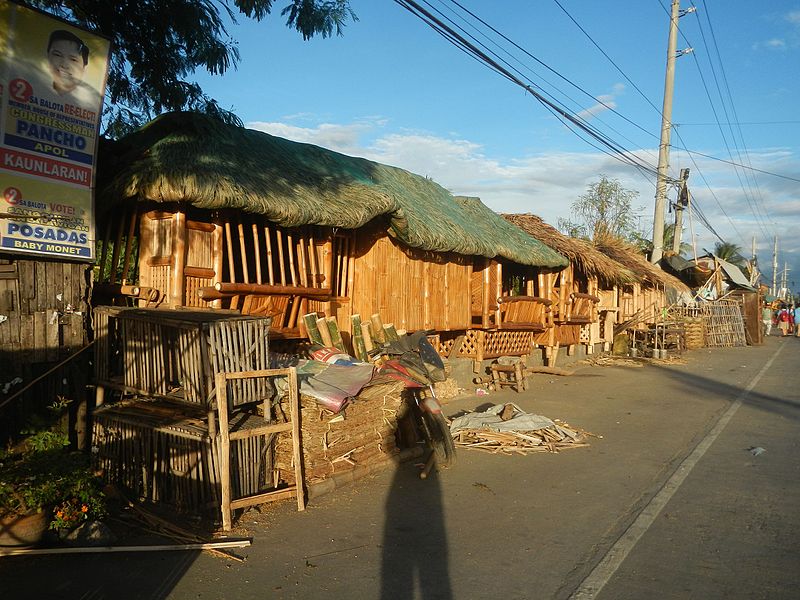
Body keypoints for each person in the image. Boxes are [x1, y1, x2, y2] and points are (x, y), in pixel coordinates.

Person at [45, 29, 101, 108]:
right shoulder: (35, 91)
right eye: (58, 55)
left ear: (84, 68)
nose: (64, 65)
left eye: (73, 59)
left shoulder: (87, 106)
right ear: (48, 57)